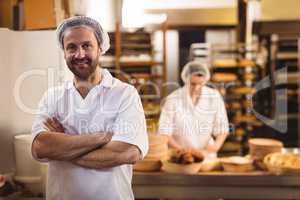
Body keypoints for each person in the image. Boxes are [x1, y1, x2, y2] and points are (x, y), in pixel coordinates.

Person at [31, 16, 148, 200]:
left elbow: (127, 152)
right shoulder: (52, 97)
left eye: (87, 45)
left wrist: (63, 147)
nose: (79, 54)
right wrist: (101, 138)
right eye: (71, 47)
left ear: (100, 48)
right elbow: (40, 147)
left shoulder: (125, 94)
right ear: (64, 52)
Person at [159, 61, 229, 158]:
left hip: (206, 155)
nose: (196, 88)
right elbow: (164, 132)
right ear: (186, 80)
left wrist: (216, 146)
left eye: (200, 84)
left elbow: (222, 128)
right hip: (179, 155)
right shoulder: (173, 99)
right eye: (193, 84)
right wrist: (182, 150)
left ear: (205, 81)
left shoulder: (214, 96)